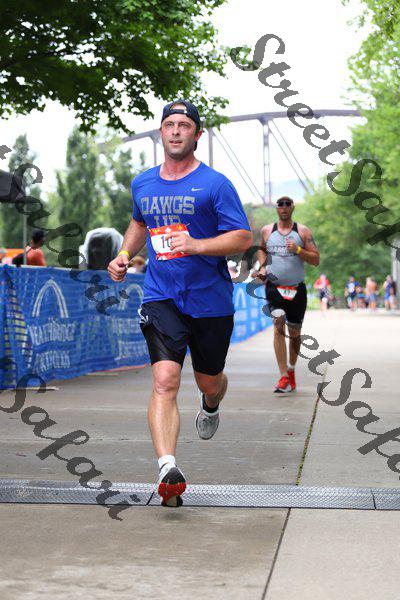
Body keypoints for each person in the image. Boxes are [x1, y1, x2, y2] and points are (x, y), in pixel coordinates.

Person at [107, 99, 252, 507]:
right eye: (169, 124)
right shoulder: (143, 183)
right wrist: (124, 254)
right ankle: (167, 468)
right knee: (165, 381)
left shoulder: (215, 184)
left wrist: (196, 245)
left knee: (210, 381)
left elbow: (242, 237)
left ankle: (211, 403)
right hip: (161, 296)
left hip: (210, 301)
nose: (175, 131)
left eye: (184, 125)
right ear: (161, 132)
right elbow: (139, 222)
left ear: (197, 135)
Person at [252, 196, 319, 393]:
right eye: (280, 204)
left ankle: (291, 369)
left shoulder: (303, 231)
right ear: (276, 209)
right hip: (274, 288)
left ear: (292, 208)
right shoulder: (267, 230)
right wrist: (263, 267)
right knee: (278, 326)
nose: (283, 207)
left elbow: (315, 260)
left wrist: (298, 249)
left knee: (295, 333)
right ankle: (283, 376)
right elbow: (261, 250)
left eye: (287, 204)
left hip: (297, 289)